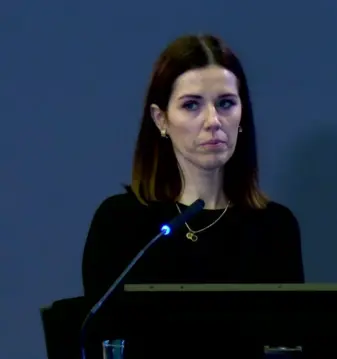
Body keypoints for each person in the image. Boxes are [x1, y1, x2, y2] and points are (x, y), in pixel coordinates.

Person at [81, 35, 304, 356]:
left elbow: (287, 345)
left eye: (226, 103)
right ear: (161, 120)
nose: (213, 121)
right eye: (191, 105)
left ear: (243, 115)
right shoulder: (121, 223)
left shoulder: (274, 226)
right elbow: (100, 339)